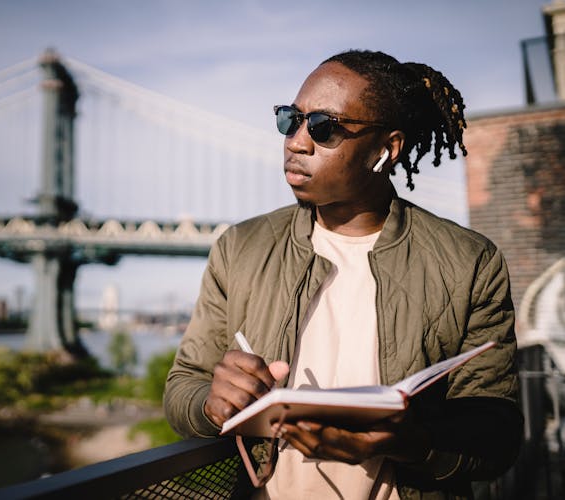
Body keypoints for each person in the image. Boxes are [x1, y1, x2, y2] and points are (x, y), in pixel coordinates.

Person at [164, 49, 522, 499]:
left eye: (323, 128)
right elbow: (182, 390)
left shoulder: (470, 263)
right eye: (289, 119)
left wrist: (413, 443)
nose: (296, 141)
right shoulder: (241, 248)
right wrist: (213, 404)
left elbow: (499, 435)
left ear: (386, 149)